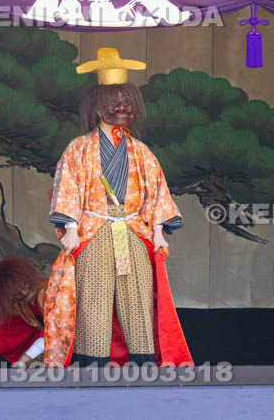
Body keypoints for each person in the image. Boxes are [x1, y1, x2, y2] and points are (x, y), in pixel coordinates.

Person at [42, 47, 193, 367]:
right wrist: (70, 228)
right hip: (93, 232)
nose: (123, 107)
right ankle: (92, 365)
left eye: (127, 102)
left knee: (138, 299)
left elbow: (156, 191)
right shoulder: (79, 149)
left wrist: (159, 231)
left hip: (134, 233)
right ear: (98, 106)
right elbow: (68, 187)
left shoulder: (140, 151)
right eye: (116, 102)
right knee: (93, 301)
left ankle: (142, 365)